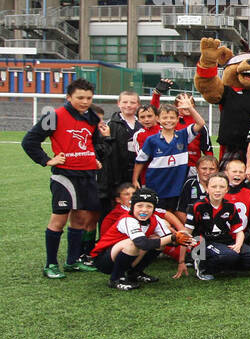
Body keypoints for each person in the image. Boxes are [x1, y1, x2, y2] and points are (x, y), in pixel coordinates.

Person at [23, 78, 103, 278]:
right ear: (69, 97)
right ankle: (50, 264)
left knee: (80, 218)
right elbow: (29, 141)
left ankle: (72, 261)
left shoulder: (91, 117)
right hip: (65, 175)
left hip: (87, 174)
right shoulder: (54, 115)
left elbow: (93, 142)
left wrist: (96, 159)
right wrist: (47, 160)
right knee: (59, 219)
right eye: (80, 98)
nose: (85, 101)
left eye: (88, 98)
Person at [90, 187, 192, 290]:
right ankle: (116, 278)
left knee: (158, 240)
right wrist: (173, 237)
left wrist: (183, 240)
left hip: (122, 253)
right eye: (139, 206)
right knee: (132, 244)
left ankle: (135, 273)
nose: (144, 210)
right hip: (103, 259)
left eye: (149, 206)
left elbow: (167, 241)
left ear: (154, 209)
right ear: (132, 207)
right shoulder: (128, 219)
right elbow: (142, 243)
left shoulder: (155, 219)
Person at [185, 172, 250, 280]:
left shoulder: (230, 206)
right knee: (230, 255)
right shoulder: (197, 207)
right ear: (207, 189)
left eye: (222, 187)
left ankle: (226, 267)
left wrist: (238, 244)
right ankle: (203, 267)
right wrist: (182, 260)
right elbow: (186, 234)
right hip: (204, 242)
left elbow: (239, 231)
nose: (217, 190)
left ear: (226, 190)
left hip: (226, 241)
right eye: (214, 187)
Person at [134, 96, 206, 213]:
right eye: (165, 117)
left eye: (172, 117)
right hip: (157, 186)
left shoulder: (183, 135)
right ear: (157, 119)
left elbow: (201, 123)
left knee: (175, 212)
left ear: (178, 119)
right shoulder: (152, 140)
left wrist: (190, 108)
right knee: (159, 215)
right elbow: (140, 161)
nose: (168, 120)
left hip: (177, 187)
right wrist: (134, 179)